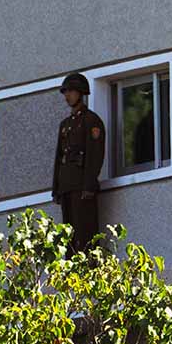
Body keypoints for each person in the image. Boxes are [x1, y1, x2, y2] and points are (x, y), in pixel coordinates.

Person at [51, 72, 106, 254]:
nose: (67, 96)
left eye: (71, 91)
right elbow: (59, 158)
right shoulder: (65, 124)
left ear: (81, 93)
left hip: (82, 186)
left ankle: (87, 264)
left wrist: (89, 185)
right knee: (69, 236)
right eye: (65, 92)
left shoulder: (91, 120)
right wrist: (56, 189)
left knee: (85, 233)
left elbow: (95, 154)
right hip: (66, 185)